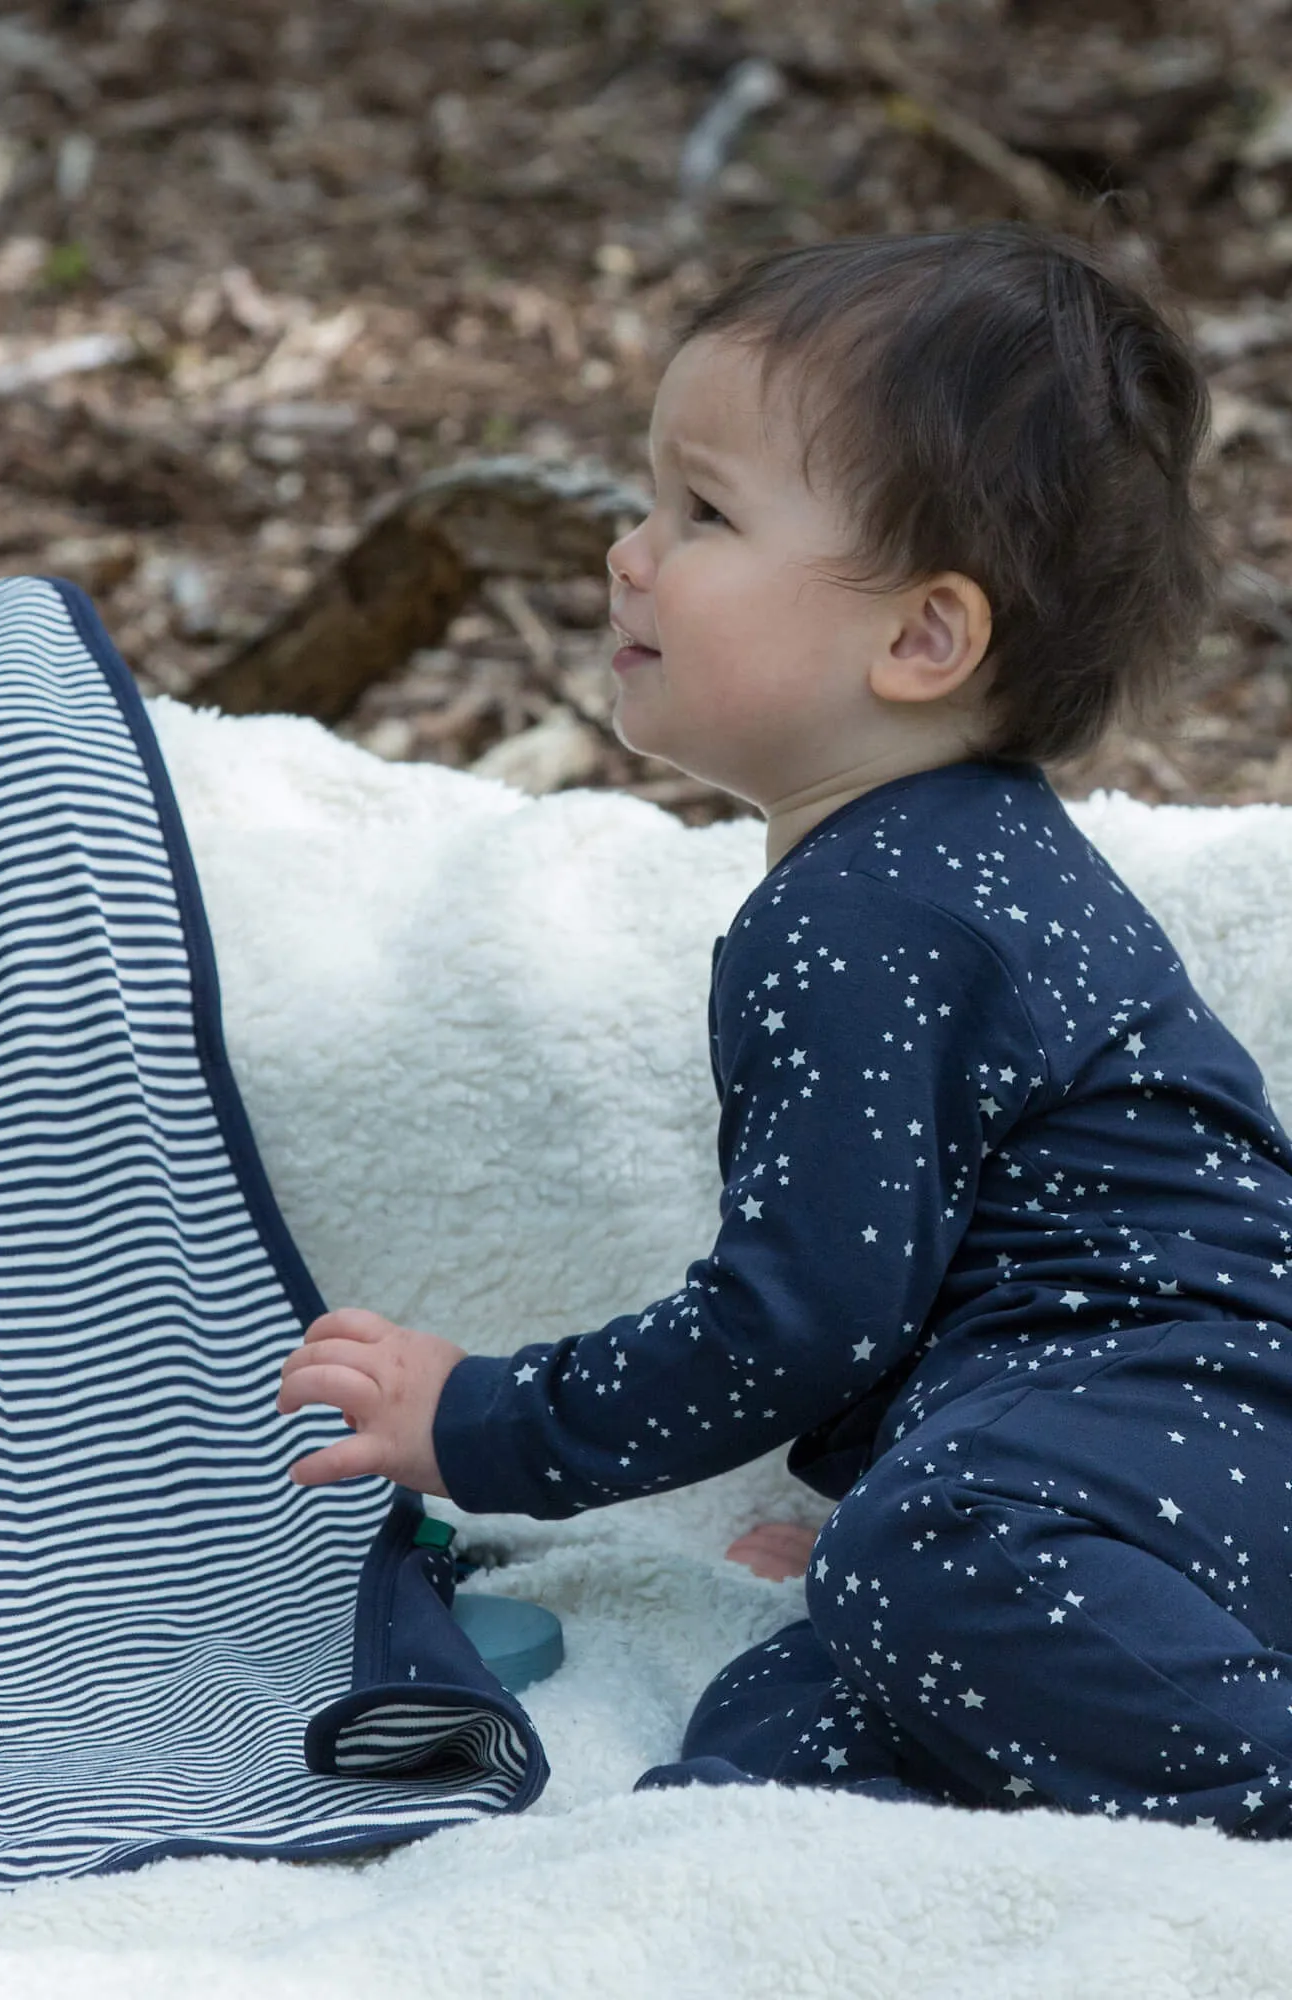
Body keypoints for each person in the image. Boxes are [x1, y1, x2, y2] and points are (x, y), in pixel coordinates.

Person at [277, 225, 1292, 1831]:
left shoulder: (876, 914)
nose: (628, 550)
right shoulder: (944, 854)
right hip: (1150, 1452)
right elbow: (925, 1287)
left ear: (921, 641)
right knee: (776, 1722)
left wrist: (486, 1422)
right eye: (649, 497)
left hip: (1194, 1416)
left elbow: (797, 1320)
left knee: (933, 1562)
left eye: (704, 512)